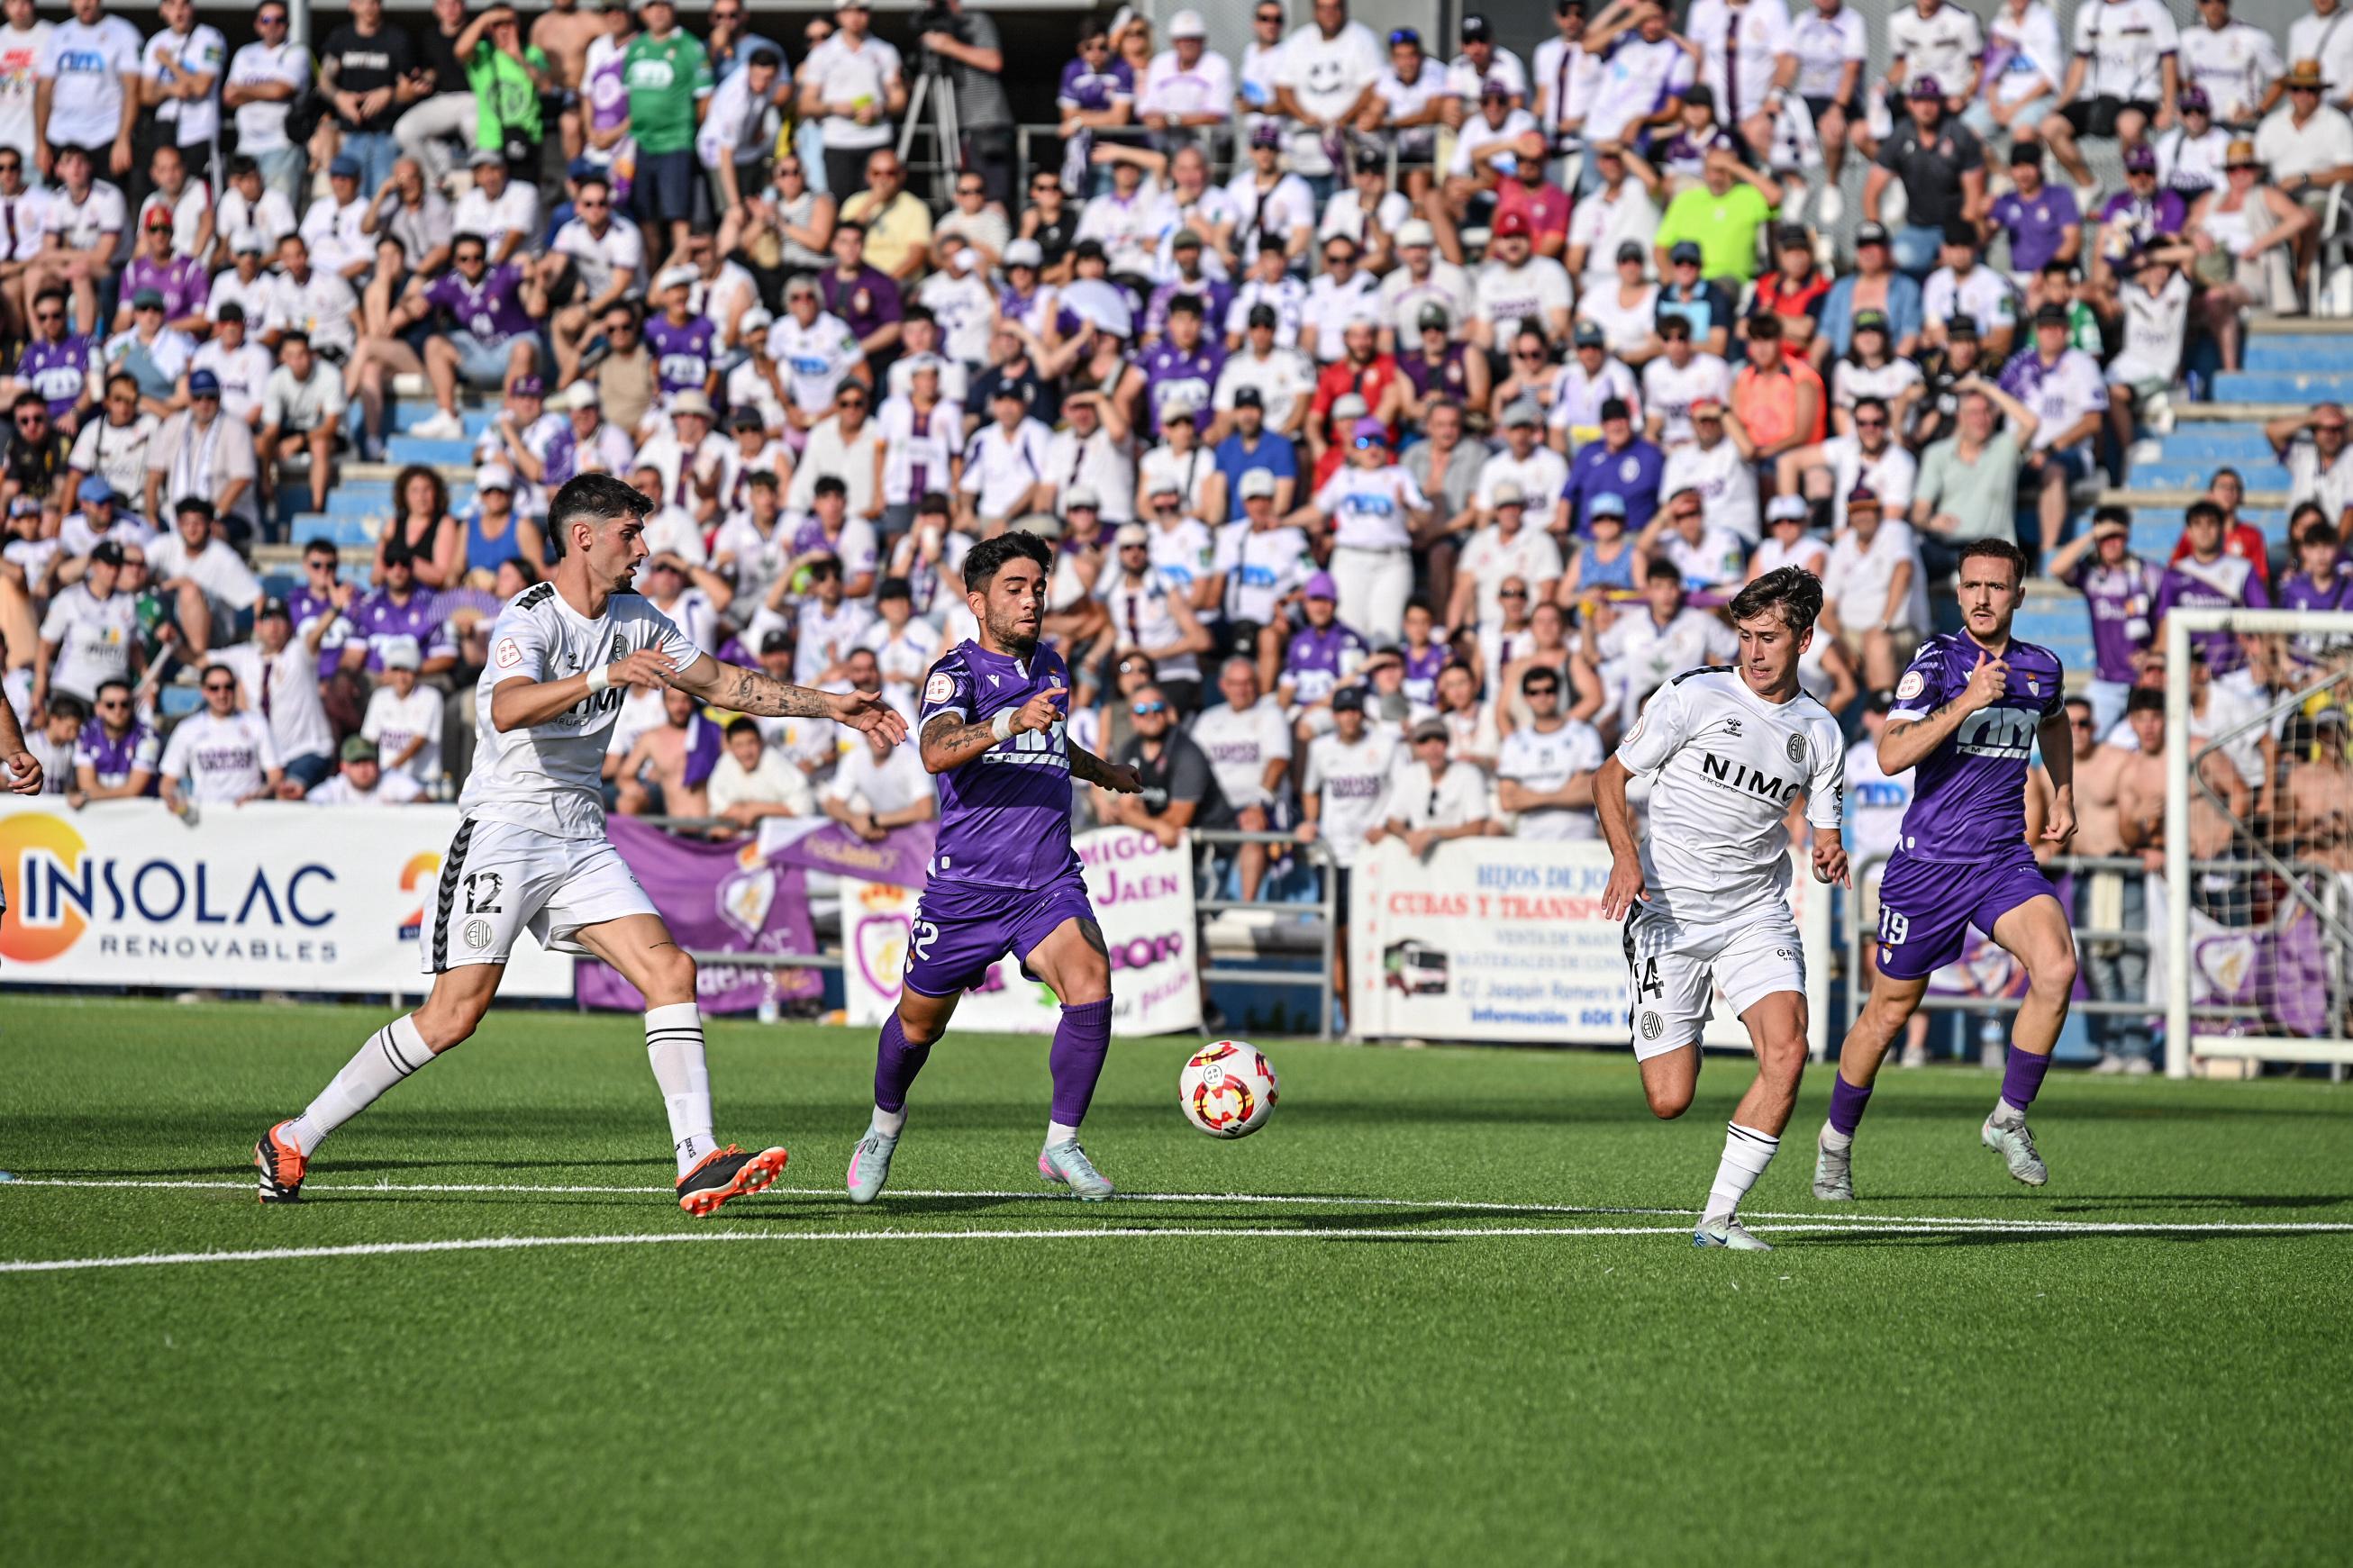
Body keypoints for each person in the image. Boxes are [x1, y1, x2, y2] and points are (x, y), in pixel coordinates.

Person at [253, 472, 907, 1210]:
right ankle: (295, 1136)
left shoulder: (636, 615)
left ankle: (696, 1158)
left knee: (672, 970)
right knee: (453, 1016)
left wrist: (832, 706)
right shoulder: (528, 619)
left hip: (580, 837)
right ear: (583, 536)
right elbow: (507, 708)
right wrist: (605, 671)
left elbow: (723, 685)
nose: (644, 546)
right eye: (630, 532)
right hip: (505, 830)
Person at [844, 530, 1142, 1207]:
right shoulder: (957, 672)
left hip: (1045, 882)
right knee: (919, 1025)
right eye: (1015, 588)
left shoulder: (1053, 663)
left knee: (1091, 979)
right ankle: (884, 1125)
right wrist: (1008, 721)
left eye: (1038, 586)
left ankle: (1061, 1143)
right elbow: (936, 750)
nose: (1032, 599)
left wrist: (1105, 773)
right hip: (967, 887)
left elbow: (1053, 738)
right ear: (978, 601)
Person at [1816, 538, 2076, 1202]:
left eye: (1996, 586)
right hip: (1927, 867)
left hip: (2001, 861)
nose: (1983, 597)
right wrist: (1964, 701)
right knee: (1888, 1011)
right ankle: (1835, 1144)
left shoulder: (2041, 667)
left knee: (2057, 968)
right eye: (1971, 586)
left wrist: (2065, 791)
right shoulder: (1936, 661)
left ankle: (2008, 1117)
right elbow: (1890, 754)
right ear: (1958, 593)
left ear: (2019, 594)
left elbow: (2054, 721)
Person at [1593, 567, 1845, 1250]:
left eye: (1769, 637)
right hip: (1669, 914)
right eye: (1744, 636)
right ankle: (1683, 1015)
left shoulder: (1820, 732)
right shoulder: (1693, 696)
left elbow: (1825, 833)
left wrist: (1830, 852)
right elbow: (1610, 776)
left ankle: (1718, 1218)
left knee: (1789, 1051)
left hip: (1754, 913)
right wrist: (1624, 853)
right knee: (1670, 1098)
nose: (1754, 652)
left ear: (1805, 638)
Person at [160, 658, 284, 810]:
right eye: (214, 688)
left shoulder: (256, 724)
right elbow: (168, 782)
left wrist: (259, 795)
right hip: (208, 815)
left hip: (248, 812)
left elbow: (276, 776)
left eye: (228, 687)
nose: (222, 694)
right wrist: (181, 807)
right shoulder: (187, 729)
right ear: (204, 691)